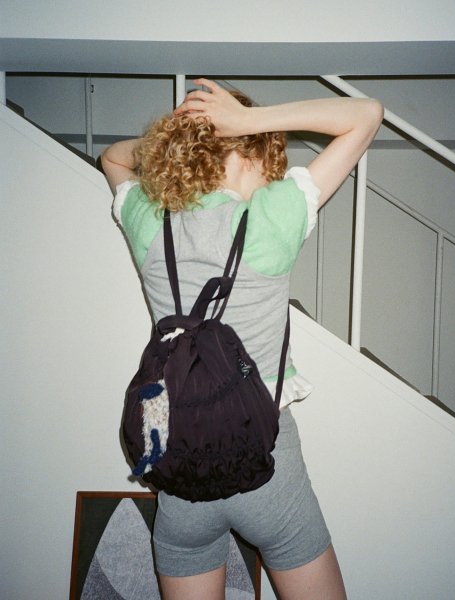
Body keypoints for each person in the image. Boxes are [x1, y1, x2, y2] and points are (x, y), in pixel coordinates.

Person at [101, 79, 383, 600]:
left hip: (180, 473)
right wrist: (251, 120)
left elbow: (113, 158)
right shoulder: (271, 218)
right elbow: (366, 113)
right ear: (247, 152)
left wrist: (179, 138)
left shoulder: (150, 223)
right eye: (267, 162)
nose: (272, 176)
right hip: (268, 468)